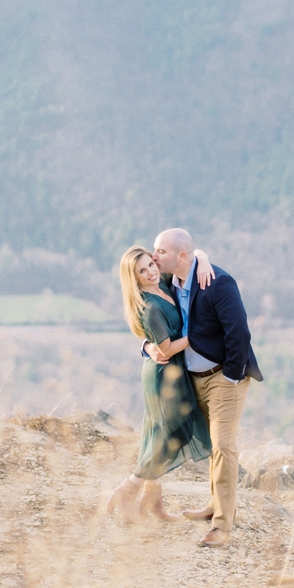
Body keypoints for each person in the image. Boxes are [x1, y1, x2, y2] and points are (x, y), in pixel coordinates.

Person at [145, 228, 263, 548]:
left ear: (182, 256)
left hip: (224, 376)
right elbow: (152, 318)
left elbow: (238, 333)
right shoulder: (171, 281)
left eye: (161, 251)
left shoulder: (218, 283)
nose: (154, 257)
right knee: (213, 445)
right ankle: (214, 505)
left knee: (223, 445)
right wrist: (146, 345)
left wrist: (232, 377)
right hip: (191, 378)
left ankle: (222, 528)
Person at [105, 245, 215, 521]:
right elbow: (165, 350)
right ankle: (128, 489)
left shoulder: (163, 283)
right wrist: (197, 335)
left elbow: (190, 252)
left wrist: (202, 260)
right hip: (163, 373)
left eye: (151, 265)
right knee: (169, 435)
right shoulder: (150, 306)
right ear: (135, 278)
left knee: (160, 433)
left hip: (174, 369)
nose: (151, 272)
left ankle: (153, 500)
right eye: (142, 271)